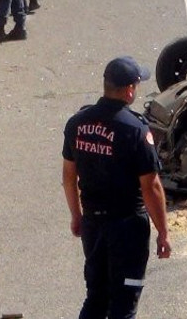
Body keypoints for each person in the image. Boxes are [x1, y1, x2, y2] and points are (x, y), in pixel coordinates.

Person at [62, 56, 172, 319]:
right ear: (130, 90)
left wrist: (77, 215)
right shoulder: (135, 129)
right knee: (124, 303)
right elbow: (151, 187)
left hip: (93, 223)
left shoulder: (77, 123)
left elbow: (68, 176)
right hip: (126, 228)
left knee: (96, 297)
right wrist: (163, 232)